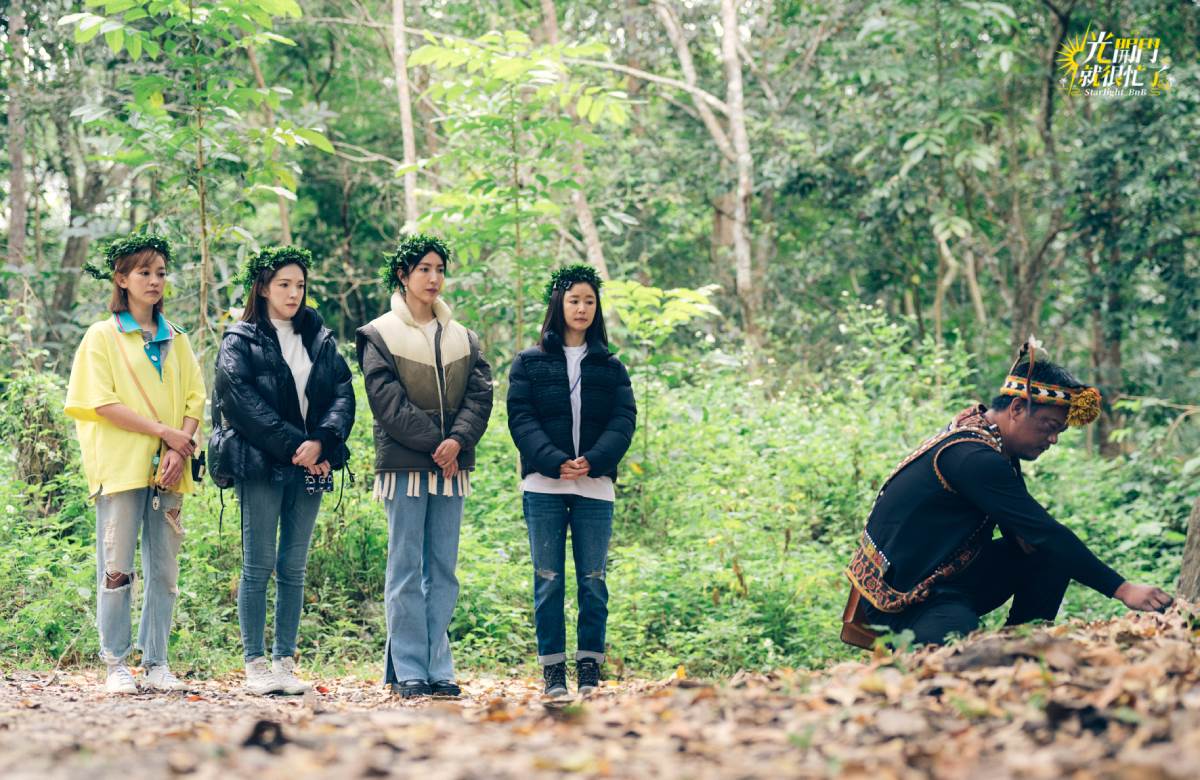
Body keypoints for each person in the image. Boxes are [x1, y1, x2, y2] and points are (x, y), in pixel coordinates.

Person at [841, 341, 1174, 648]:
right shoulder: (973, 457)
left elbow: (1033, 534)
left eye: (1059, 431)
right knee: (959, 646)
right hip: (906, 597)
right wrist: (1123, 589)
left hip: (949, 575)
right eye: (1049, 426)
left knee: (1050, 555)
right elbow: (1043, 532)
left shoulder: (992, 441)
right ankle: (1002, 660)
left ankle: (1022, 647)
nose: (1053, 439)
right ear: (1016, 408)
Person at [64, 233, 206, 694]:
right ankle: (115, 663)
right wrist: (164, 434)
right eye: (143, 272)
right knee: (117, 565)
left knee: (165, 570)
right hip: (121, 468)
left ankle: (158, 662)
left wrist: (175, 447)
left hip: (170, 470)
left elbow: (194, 398)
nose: (154, 280)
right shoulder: (102, 336)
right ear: (121, 279)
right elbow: (99, 401)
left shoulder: (177, 339)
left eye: (160, 272)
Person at [209, 246, 355, 695]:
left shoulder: (319, 337)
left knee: (294, 566)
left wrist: (322, 442)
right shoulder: (240, 339)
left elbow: (343, 395)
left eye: (300, 285)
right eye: (284, 285)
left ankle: (285, 663)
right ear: (264, 287)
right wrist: (300, 445)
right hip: (261, 466)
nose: (294, 294)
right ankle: (255, 664)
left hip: (311, 463)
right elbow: (242, 404)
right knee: (259, 564)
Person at [356, 234, 493, 699]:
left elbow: (480, 395)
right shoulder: (379, 334)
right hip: (405, 467)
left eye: (439, 270)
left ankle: (439, 666)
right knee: (405, 568)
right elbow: (386, 403)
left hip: (451, 469)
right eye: (424, 270)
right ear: (404, 275)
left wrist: (458, 440)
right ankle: (409, 668)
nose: (433, 278)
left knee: (443, 569)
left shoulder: (463, 339)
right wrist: (440, 443)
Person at [506, 264, 637, 698]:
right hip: (544, 487)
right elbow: (521, 418)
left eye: (589, 301)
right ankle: (553, 673)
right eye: (573, 300)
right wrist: (554, 460)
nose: (581, 308)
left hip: (595, 488)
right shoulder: (529, 362)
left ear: (596, 308)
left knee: (593, 580)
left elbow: (623, 420)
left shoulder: (612, 366)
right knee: (548, 579)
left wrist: (595, 460)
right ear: (558, 305)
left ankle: (589, 670)